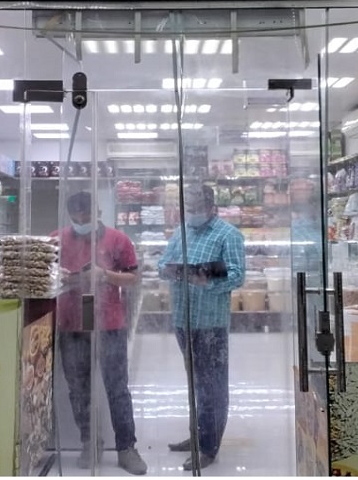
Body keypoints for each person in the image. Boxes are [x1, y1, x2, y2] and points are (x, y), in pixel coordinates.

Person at [52, 191, 148, 476]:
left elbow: (133, 278)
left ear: (98, 212)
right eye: (77, 218)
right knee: (78, 388)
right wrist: (64, 278)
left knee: (117, 388)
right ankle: (89, 442)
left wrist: (105, 275)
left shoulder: (119, 240)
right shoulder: (56, 239)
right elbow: (47, 274)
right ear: (70, 215)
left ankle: (127, 448)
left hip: (109, 324)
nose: (82, 222)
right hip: (72, 324)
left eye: (87, 216)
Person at [158, 184, 245, 471]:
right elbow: (162, 264)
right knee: (195, 383)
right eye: (189, 209)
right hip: (183, 320)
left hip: (210, 324)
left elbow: (237, 275)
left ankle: (208, 447)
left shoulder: (228, 235)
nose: (192, 214)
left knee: (212, 387)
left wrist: (206, 279)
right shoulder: (181, 232)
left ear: (211, 208)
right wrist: (170, 270)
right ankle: (197, 435)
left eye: (197, 208)